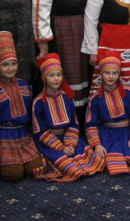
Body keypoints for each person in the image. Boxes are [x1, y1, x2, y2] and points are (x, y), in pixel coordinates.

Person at [33, 0, 90, 117]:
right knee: (65, 71)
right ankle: (63, 114)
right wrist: (43, 44)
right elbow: (40, 15)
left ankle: (82, 116)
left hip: (81, 32)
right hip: (61, 34)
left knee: (82, 72)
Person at [31, 54, 104, 182]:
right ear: (44, 77)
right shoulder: (38, 102)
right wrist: (61, 148)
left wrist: (69, 144)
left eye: (58, 75)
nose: (56, 79)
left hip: (68, 138)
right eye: (51, 75)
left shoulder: (67, 97)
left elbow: (74, 124)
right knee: (69, 168)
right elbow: (39, 132)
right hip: (49, 143)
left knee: (92, 160)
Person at [0, 31, 42, 182]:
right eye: (5, 65)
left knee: (35, 169)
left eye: (13, 64)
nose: (10, 68)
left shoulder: (24, 85)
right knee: (14, 174)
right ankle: (0, 163)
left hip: (23, 135)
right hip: (2, 136)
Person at [85, 52, 130, 175]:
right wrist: (97, 145)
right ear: (101, 74)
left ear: (119, 74)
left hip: (127, 132)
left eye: (115, 73)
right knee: (104, 158)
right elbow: (90, 125)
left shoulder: (129, 92)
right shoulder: (95, 98)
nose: (111, 76)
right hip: (107, 133)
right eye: (107, 73)